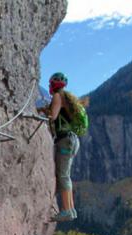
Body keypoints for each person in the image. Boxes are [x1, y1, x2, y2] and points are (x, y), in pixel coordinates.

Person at [38, 72, 82, 222]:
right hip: (71, 140)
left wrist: (43, 112)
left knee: (63, 176)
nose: (49, 87)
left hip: (65, 140)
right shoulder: (67, 98)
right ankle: (71, 209)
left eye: (50, 84)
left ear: (53, 85)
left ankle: (67, 210)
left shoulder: (58, 96)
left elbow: (53, 116)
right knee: (66, 175)